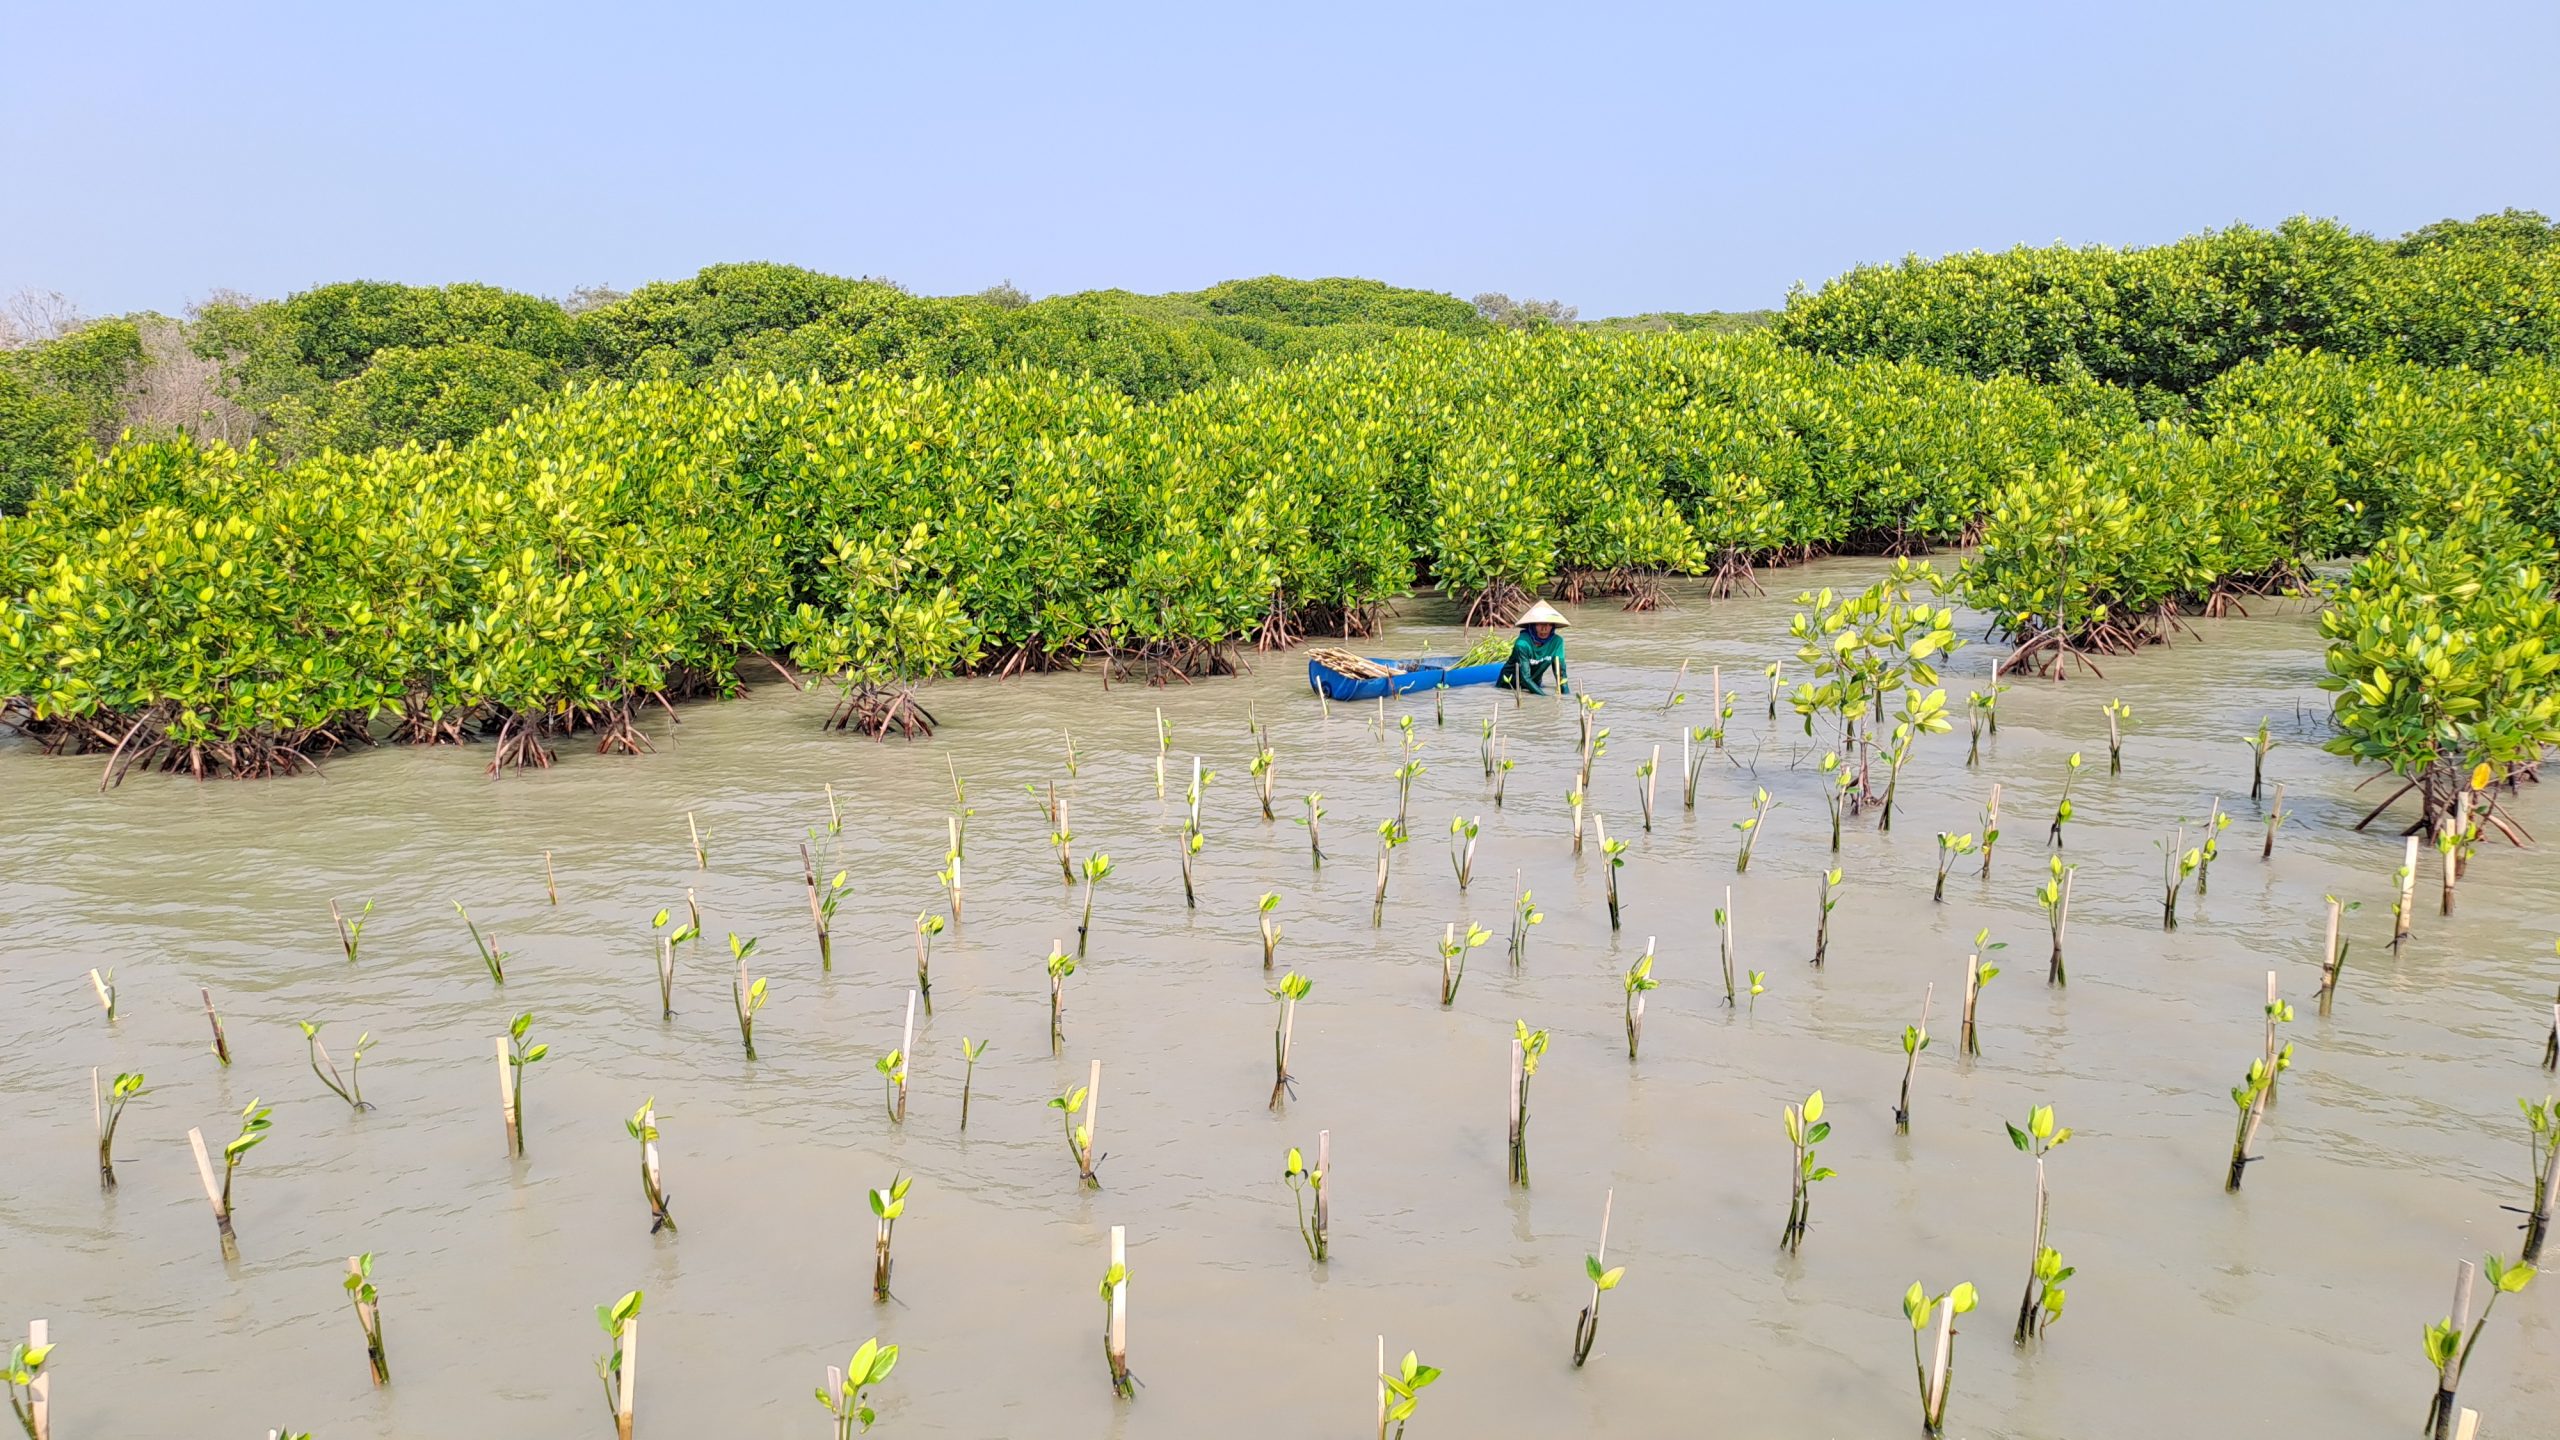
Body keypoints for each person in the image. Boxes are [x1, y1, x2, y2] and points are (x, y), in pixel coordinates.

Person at [1499, 600, 1571, 694]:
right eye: (1540, 624)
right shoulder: (1522, 644)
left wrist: (1566, 698)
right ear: (1532, 626)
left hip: (1535, 686)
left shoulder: (1557, 642)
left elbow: (1561, 674)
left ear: (1553, 627)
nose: (1544, 629)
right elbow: (1525, 677)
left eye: (1548, 625)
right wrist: (1545, 697)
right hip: (1510, 687)